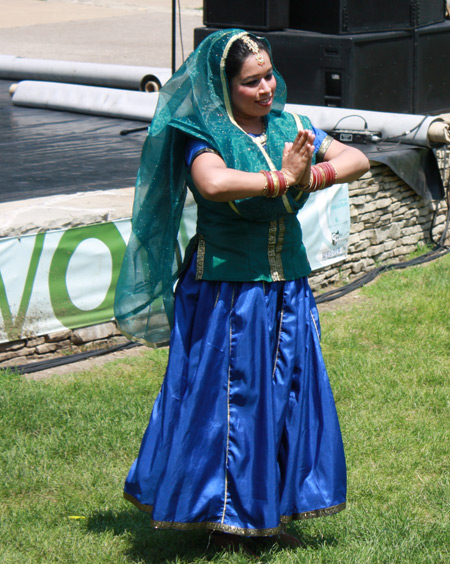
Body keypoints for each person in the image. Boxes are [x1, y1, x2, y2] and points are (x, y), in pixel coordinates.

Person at [114, 29, 370, 551]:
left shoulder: (291, 125)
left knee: (285, 396)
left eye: (269, 75)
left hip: (286, 289)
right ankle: (223, 518)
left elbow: (357, 160)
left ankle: (269, 512)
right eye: (251, 82)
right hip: (228, 296)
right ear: (223, 86)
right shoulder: (204, 133)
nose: (266, 89)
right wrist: (281, 179)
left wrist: (308, 176)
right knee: (232, 405)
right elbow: (213, 183)